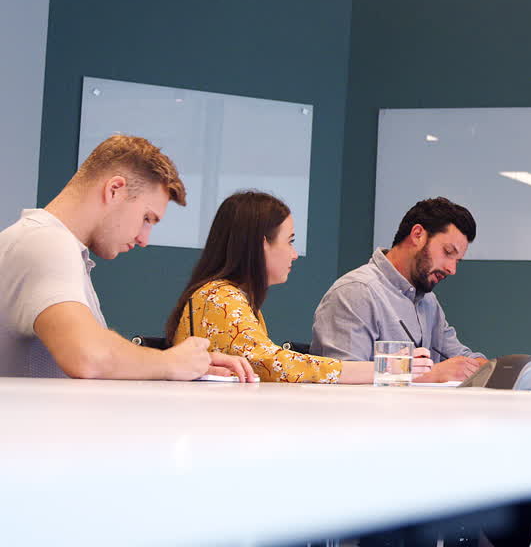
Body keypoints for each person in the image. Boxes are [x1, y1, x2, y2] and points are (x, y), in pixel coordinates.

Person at [0, 134, 252, 381]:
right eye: (146, 218)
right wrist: (173, 362)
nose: (144, 239)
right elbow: (89, 356)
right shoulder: (45, 242)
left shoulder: (41, 242)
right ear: (115, 190)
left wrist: (190, 364)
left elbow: (93, 355)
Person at [164, 191, 432, 383]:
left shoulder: (226, 296)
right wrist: (385, 368)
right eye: (289, 241)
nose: (294, 254)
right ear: (261, 245)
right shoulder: (220, 297)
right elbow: (274, 364)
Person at [312, 197, 486, 383]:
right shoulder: (356, 292)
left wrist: (487, 368)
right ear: (418, 235)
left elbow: (462, 356)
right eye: (448, 252)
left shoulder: (428, 301)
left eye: (457, 261)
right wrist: (432, 374)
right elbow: (340, 379)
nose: (452, 269)